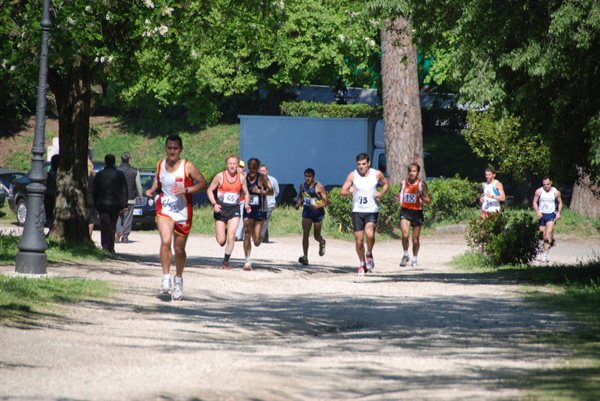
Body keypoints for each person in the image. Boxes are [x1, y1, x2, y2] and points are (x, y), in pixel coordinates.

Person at [146, 135, 208, 300]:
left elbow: (203, 184)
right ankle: (166, 277)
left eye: (175, 148)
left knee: (179, 249)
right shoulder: (160, 164)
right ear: (166, 148)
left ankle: (178, 279)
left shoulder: (188, 166)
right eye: (169, 148)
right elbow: (158, 181)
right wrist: (152, 190)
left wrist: (186, 190)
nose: (172, 151)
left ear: (181, 150)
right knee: (166, 241)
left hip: (182, 212)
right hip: (165, 209)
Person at [340, 153, 389, 275]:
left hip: (371, 210)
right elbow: (342, 191)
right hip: (357, 211)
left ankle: (369, 253)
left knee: (370, 234)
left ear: (368, 163)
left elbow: (386, 184)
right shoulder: (353, 175)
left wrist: (381, 193)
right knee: (359, 241)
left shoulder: (376, 174)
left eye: (363, 164)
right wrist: (349, 192)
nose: (361, 167)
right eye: (359, 164)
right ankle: (362, 264)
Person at [207, 154, 251, 270]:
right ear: (226, 164)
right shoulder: (220, 176)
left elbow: (246, 193)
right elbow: (210, 190)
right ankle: (223, 231)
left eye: (234, 164)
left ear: (238, 165)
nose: (232, 166)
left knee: (231, 236)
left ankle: (226, 262)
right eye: (230, 164)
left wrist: (246, 204)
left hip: (234, 209)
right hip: (221, 210)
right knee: (221, 241)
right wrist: (214, 204)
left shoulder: (241, 178)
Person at [395, 163, 431, 269]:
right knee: (405, 234)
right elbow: (400, 193)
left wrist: (421, 197)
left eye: (414, 171)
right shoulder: (403, 183)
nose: (412, 173)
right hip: (405, 211)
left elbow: (428, 201)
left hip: (416, 212)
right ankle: (405, 254)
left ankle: (415, 258)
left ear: (418, 173)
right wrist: (397, 197)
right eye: (410, 171)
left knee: (415, 239)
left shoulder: (422, 185)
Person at [242, 158, 274, 270]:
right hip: (248, 209)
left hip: (260, 210)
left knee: (255, 240)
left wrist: (259, 191)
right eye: (250, 168)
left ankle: (259, 238)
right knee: (247, 233)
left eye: (254, 168)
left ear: (258, 168)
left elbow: (271, 192)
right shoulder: (244, 178)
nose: (252, 170)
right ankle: (247, 261)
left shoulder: (262, 178)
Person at [93, 154, 128, 254]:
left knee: (104, 225)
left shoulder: (99, 174)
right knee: (112, 225)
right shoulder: (120, 174)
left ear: (105, 162)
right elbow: (124, 191)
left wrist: (96, 203)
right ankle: (111, 246)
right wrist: (124, 204)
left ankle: (104, 245)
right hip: (115, 203)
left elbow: (94, 190)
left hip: (103, 203)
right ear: (114, 162)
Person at [294, 168, 329, 266]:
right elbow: (300, 196)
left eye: (309, 176)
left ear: (313, 177)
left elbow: (327, 201)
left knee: (316, 236)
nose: (307, 178)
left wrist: (317, 206)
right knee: (305, 233)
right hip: (307, 213)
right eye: (306, 176)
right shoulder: (302, 186)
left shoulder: (318, 186)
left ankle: (322, 242)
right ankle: (305, 257)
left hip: (318, 213)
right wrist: (298, 204)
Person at [532, 176, 563, 263]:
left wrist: (559, 212)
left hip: (551, 214)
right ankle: (550, 240)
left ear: (551, 183)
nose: (546, 186)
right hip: (542, 215)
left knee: (547, 234)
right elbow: (534, 202)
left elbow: (560, 202)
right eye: (544, 184)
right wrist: (537, 211)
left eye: (548, 184)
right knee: (542, 235)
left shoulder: (555, 192)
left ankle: (545, 255)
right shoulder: (539, 191)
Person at [116, 152, 143, 244]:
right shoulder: (135, 171)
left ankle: (119, 230)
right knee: (128, 217)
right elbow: (138, 185)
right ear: (129, 160)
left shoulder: (117, 170)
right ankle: (125, 236)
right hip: (130, 198)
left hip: (118, 198)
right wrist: (140, 196)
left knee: (117, 215)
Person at [259, 164, 279, 243]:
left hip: (269, 204)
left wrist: (271, 198)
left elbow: (277, 191)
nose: (262, 172)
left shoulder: (273, 180)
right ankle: (265, 238)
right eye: (261, 171)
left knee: (265, 219)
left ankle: (260, 237)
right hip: (260, 204)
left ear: (267, 171)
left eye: (264, 171)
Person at [44, 154, 59, 230]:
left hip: (49, 198)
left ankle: (51, 229)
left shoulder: (49, 175)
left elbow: (44, 184)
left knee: (49, 216)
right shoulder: (62, 175)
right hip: (57, 197)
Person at [86, 158, 99, 238]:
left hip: (83, 199)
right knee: (91, 219)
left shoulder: (81, 175)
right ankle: (89, 235)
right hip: (92, 199)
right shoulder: (94, 175)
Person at [235, 160, 246, 241]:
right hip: (234, 200)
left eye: (241, 167)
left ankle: (238, 235)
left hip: (243, 199)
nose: (239, 168)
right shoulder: (231, 176)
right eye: (238, 167)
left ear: (243, 168)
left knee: (242, 217)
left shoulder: (246, 177)